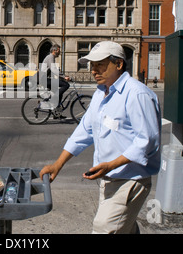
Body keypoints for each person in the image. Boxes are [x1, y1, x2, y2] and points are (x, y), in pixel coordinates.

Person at [40, 41, 161, 234]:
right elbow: (84, 131)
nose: (93, 70)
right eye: (92, 65)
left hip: (130, 179)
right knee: (124, 228)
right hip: (108, 178)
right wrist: (58, 164)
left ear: (119, 64)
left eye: (99, 65)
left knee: (104, 228)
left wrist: (110, 165)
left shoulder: (137, 94)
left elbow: (146, 141)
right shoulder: (100, 93)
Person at [40, 44, 71, 118]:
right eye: (58, 51)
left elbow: (53, 71)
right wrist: (64, 77)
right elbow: (54, 69)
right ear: (54, 50)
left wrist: (62, 77)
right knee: (66, 85)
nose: (59, 52)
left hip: (45, 79)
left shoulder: (51, 57)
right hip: (44, 80)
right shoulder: (50, 57)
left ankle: (57, 113)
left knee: (60, 93)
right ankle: (54, 101)